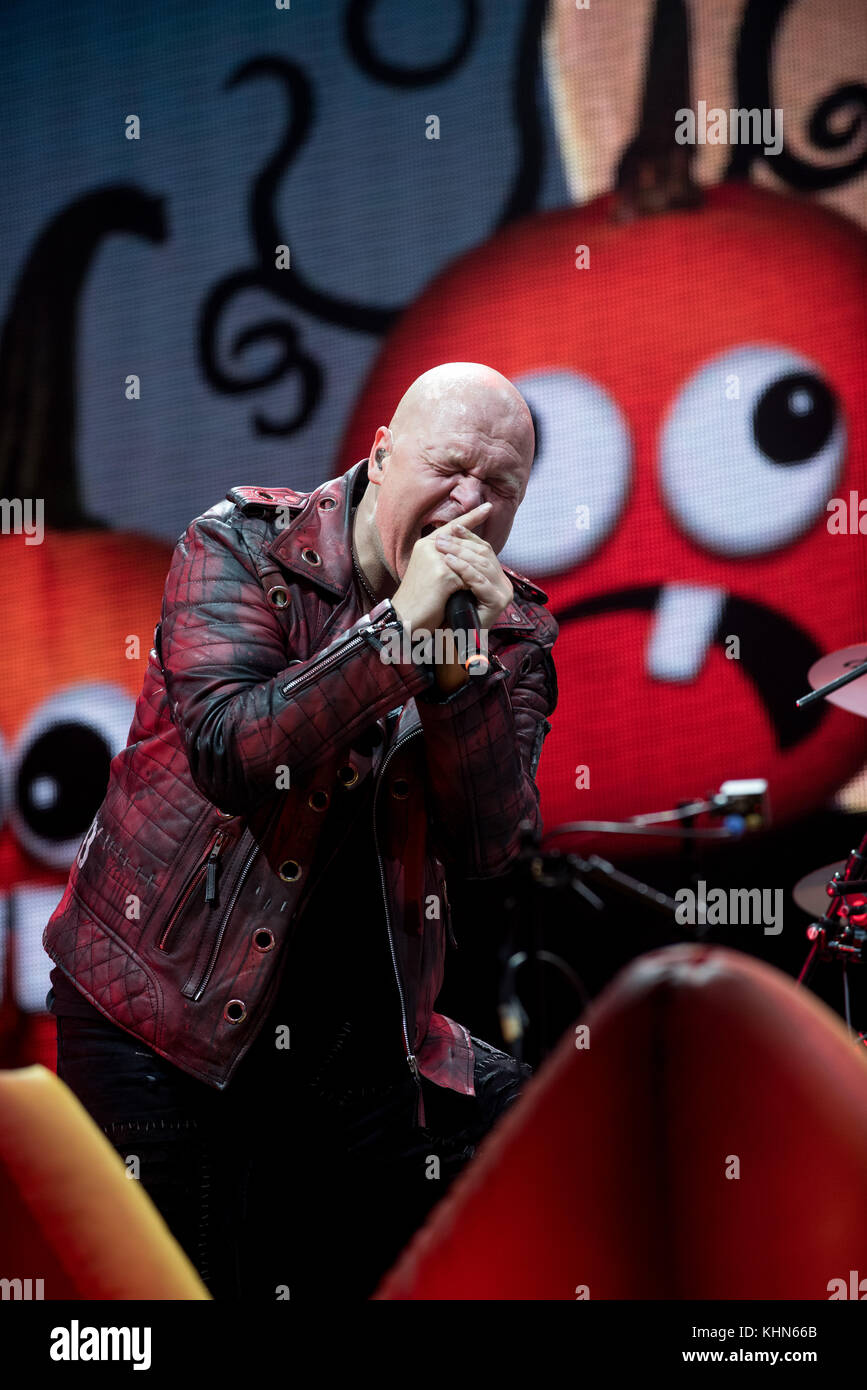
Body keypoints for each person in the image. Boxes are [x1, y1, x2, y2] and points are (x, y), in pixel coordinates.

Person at [44, 362, 559, 1299]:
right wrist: (394, 638)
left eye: (502, 488)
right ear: (381, 453)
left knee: (543, 1136)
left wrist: (458, 674)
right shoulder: (241, 550)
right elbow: (232, 753)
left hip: (354, 1041)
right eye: (449, 468)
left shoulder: (508, 632)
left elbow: (488, 846)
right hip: (163, 1016)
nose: (470, 504)